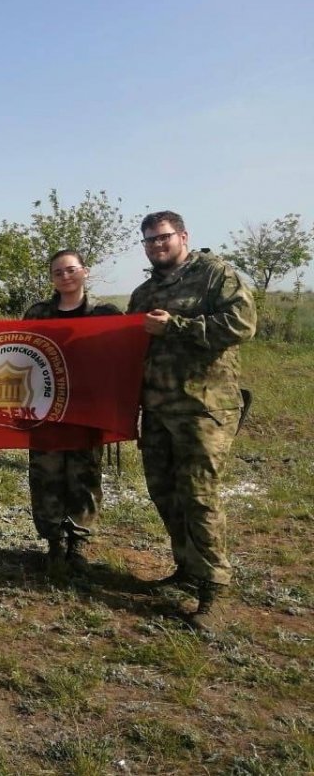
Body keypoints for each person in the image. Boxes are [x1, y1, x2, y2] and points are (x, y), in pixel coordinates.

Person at [128, 211, 255, 632]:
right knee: (165, 493)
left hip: (205, 409)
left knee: (199, 497)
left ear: (183, 236)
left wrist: (178, 327)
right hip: (159, 410)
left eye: (162, 238)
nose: (155, 246)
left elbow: (241, 324)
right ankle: (186, 566)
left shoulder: (216, 275)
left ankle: (214, 589)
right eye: (148, 241)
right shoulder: (145, 291)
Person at [22, 250, 121, 572]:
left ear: (85, 272)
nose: (65, 277)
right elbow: (22, 355)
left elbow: (121, 356)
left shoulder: (105, 314)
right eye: (58, 272)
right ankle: (53, 541)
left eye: (71, 270)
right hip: (45, 409)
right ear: (51, 277)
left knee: (84, 477)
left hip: (86, 410)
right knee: (45, 476)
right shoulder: (37, 313)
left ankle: (78, 543)